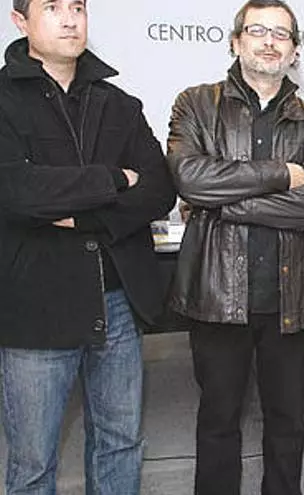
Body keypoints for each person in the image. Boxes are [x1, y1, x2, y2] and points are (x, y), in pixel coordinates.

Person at [0, 0, 176, 493]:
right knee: (33, 461)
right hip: (36, 305)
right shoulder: (4, 100)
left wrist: (80, 215)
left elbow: (159, 190)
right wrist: (113, 178)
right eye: (52, 6)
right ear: (20, 21)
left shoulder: (119, 103)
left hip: (116, 299)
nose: (69, 18)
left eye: (77, 6)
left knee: (120, 443)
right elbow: (17, 192)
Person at [166, 1, 304, 493]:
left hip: (289, 299)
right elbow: (189, 178)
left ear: (295, 50)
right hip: (218, 297)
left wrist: (226, 205)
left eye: (281, 34)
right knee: (218, 420)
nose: (269, 42)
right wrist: (280, 174)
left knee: (287, 422)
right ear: (236, 41)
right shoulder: (196, 104)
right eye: (258, 30)